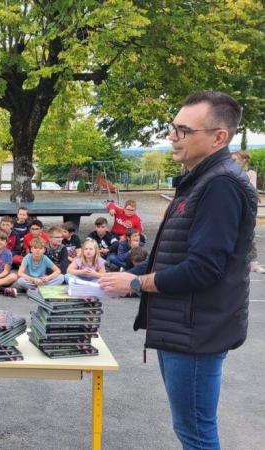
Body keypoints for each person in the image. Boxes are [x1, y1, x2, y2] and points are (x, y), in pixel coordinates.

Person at [99, 91, 257, 450]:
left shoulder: (220, 184)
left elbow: (203, 268)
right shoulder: (201, 180)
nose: (172, 136)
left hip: (196, 331)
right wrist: (120, 276)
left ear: (219, 137)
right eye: (173, 128)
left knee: (196, 434)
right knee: (192, 430)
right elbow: (174, 254)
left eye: (183, 130)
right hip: (184, 327)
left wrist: (137, 283)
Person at [231, 151, 264, 273]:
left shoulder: (250, 174)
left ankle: (253, 263)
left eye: (235, 160)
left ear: (243, 161)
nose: (233, 162)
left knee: (249, 234)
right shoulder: (229, 173)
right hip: (235, 207)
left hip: (247, 208)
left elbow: (251, 188)